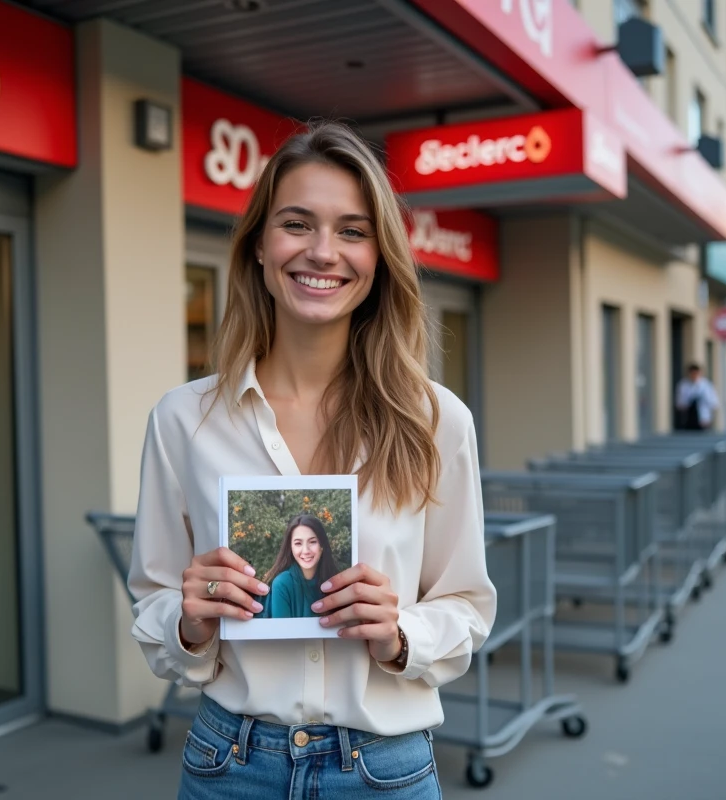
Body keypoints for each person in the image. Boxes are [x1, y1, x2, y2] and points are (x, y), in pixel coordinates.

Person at [128, 121, 496, 800]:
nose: (323, 252)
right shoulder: (183, 420)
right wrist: (190, 620)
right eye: (297, 224)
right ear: (261, 248)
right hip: (228, 764)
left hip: (382, 768)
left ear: (380, 257)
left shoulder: (437, 420)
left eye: (353, 231)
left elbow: (467, 606)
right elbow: (151, 598)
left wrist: (400, 634)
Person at [261, 514, 340, 619]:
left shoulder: (335, 582)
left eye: (312, 542)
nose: (306, 551)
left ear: (322, 546)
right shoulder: (282, 583)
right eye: (298, 543)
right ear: (291, 548)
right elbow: (282, 633)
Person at [674, 363, 720, 431]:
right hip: (688, 419)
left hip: (703, 419)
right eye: (692, 374)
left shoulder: (706, 385)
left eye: (696, 373)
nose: (694, 376)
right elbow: (680, 404)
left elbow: (714, 403)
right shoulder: (683, 385)